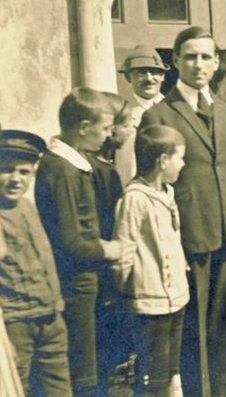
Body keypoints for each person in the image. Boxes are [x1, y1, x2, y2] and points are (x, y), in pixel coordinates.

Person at [140, 26, 226, 397]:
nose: (198, 64)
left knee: (224, 325)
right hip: (188, 236)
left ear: (217, 63)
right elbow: (152, 185)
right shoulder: (159, 114)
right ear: (176, 61)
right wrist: (169, 243)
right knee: (194, 328)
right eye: (190, 56)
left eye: (206, 57)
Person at [35, 88, 134, 397]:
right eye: (104, 129)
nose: (108, 136)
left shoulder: (78, 164)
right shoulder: (61, 169)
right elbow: (68, 240)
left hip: (88, 282)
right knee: (83, 370)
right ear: (83, 127)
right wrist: (108, 248)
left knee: (94, 365)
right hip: (75, 285)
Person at [113, 124, 190, 396]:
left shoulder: (167, 194)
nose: (183, 164)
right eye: (180, 157)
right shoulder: (134, 199)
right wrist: (124, 290)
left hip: (175, 297)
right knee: (152, 373)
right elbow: (125, 247)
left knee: (171, 368)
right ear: (163, 161)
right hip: (149, 300)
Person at [0, 130, 71, 395]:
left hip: (50, 316)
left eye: (24, 172)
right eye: (7, 170)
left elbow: (45, 257)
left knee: (59, 387)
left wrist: (57, 305)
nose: (16, 179)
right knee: (17, 387)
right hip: (15, 321)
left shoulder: (28, 208)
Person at [90, 92, 136, 389]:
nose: (130, 130)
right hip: (101, 259)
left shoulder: (107, 164)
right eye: (126, 124)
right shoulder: (96, 169)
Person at [117, 46, 169, 184]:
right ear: (128, 77)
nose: (149, 78)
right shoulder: (121, 113)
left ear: (163, 76)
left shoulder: (174, 109)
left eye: (154, 72)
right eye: (141, 73)